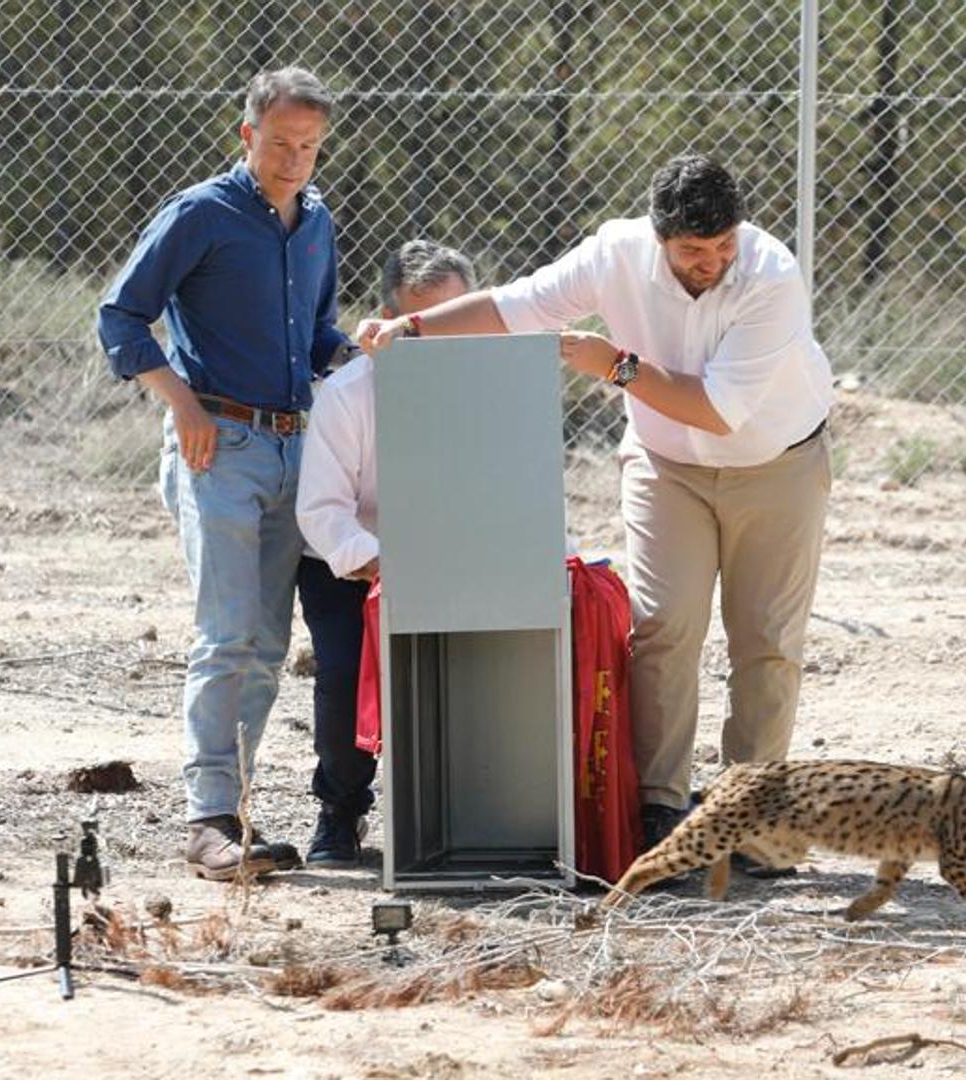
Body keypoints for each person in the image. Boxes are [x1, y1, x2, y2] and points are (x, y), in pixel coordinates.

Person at [356, 153, 834, 872]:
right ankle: (663, 813)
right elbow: (514, 305)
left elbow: (716, 409)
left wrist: (618, 367)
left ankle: (754, 820)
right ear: (657, 236)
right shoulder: (615, 252)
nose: (711, 262)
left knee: (765, 640)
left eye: (722, 245)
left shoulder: (770, 274)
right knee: (665, 625)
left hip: (777, 465)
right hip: (666, 464)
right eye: (692, 251)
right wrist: (414, 328)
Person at [96, 67, 355, 882]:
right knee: (228, 634)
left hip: (293, 450)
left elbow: (314, 334)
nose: (293, 160)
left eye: (309, 147)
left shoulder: (316, 225)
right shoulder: (200, 214)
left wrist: (361, 352)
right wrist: (181, 404)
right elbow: (120, 315)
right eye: (280, 143)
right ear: (247, 136)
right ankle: (207, 819)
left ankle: (234, 813)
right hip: (221, 448)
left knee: (271, 643)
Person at [294, 239, 478, 867]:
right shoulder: (347, 395)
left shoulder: (493, 390)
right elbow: (320, 512)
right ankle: (341, 808)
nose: (436, 345)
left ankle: (467, 810)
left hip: (456, 561)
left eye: (451, 324)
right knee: (346, 671)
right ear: (385, 323)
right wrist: (383, 566)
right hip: (349, 568)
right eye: (416, 330)